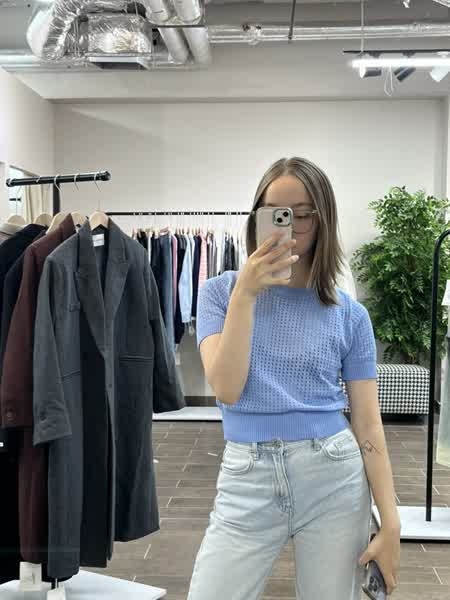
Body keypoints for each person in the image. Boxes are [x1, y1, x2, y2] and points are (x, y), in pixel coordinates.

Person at [187, 157, 400, 600]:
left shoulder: (349, 315)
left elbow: (368, 424)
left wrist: (391, 521)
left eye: (303, 214)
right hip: (246, 477)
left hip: (334, 478)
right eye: (277, 214)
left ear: (323, 221)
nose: (291, 227)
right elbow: (226, 388)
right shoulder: (219, 293)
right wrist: (246, 293)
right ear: (257, 218)